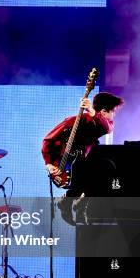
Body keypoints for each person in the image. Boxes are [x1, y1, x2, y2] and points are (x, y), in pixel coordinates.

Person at [42, 92, 124, 224]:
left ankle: (79, 203)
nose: (113, 116)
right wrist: (48, 164)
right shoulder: (73, 121)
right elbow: (47, 140)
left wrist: (92, 111)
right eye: (113, 112)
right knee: (86, 167)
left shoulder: (102, 124)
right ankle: (69, 201)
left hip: (83, 161)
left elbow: (107, 128)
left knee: (108, 168)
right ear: (103, 112)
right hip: (68, 166)